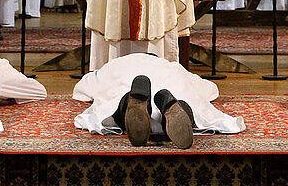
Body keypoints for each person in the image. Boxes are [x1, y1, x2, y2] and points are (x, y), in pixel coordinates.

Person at [72, 52, 245, 147]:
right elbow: (210, 90)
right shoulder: (172, 66)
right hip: (170, 80)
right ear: (155, 56)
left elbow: (82, 90)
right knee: (188, 99)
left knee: (113, 101)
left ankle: (129, 104)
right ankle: (174, 105)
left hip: (124, 75)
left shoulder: (115, 64)